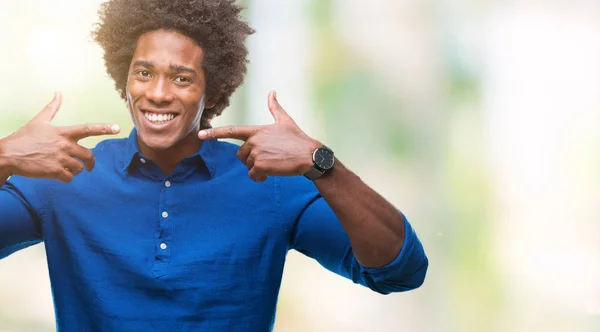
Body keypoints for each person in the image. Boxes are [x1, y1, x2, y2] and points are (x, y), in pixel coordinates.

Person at [0, 0, 428, 331]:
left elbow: (400, 269)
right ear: (124, 80)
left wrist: (322, 164)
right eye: (143, 73)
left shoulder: (270, 183)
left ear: (213, 88)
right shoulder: (66, 177)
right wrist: (3, 156)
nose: (158, 93)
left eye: (182, 78)